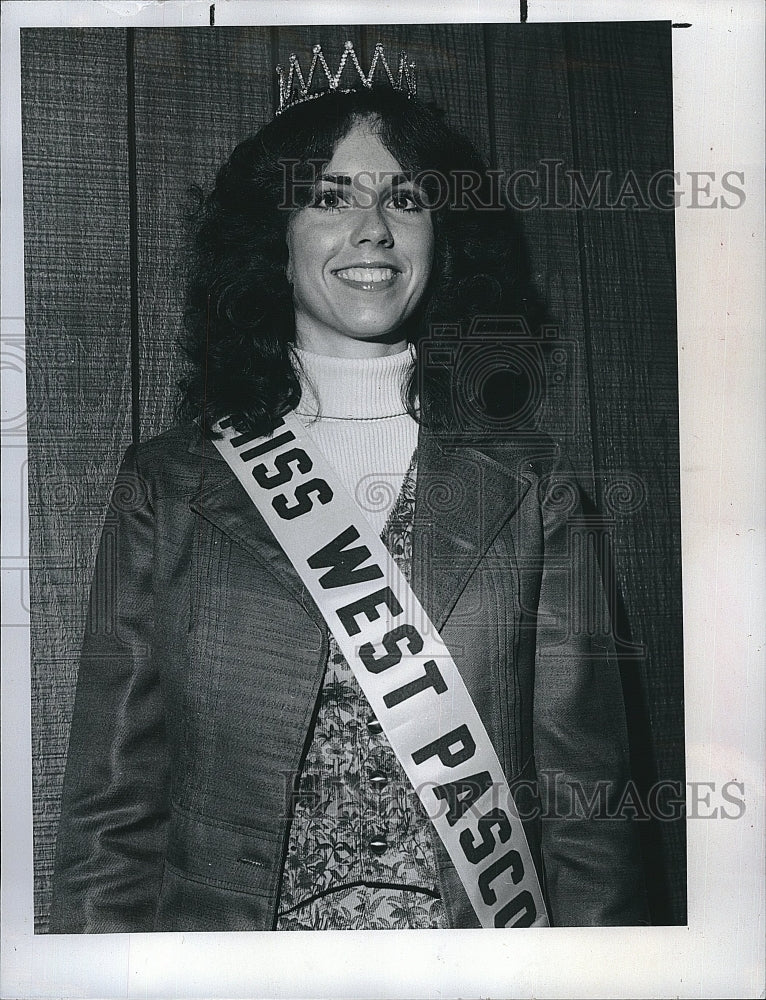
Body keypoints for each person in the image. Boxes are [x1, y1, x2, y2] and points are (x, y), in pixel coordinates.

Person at [49, 42, 648, 932]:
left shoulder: (534, 493)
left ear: (441, 243)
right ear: (274, 241)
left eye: (404, 199)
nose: (373, 228)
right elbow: (113, 814)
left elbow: (589, 823)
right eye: (329, 198)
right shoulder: (168, 488)